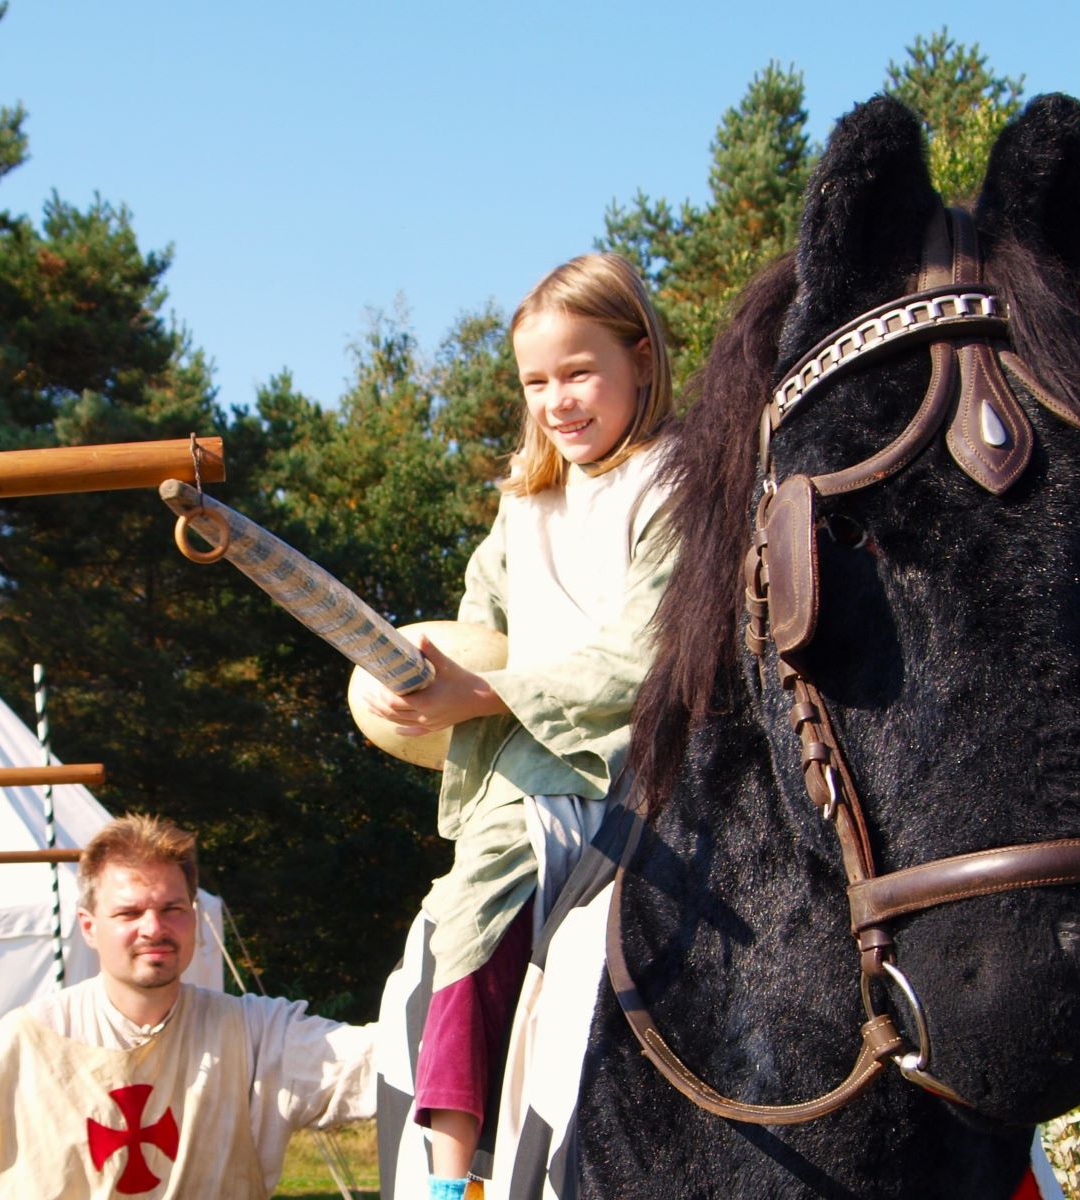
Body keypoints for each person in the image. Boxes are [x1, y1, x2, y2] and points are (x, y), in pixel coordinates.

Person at [357, 252, 677, 1200]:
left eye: (580, 372)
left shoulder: (679, 485)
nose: (558, 401)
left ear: (641, 361)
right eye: (537, 381)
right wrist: (408, 679)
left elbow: (644, 656)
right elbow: (481, 630)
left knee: (490, 867)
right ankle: (451, 1175)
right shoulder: (521, 507)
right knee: (473, 894)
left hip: (628, 767)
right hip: (523, 770)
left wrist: (481, 697)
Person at [0, 814, 377, 1198]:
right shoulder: (19, 1050)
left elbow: (382, 1058)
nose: (154, 928)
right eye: (129, 913)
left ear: (194, 918)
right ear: (89, 927)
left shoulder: (255, 1035)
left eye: (172, 909)